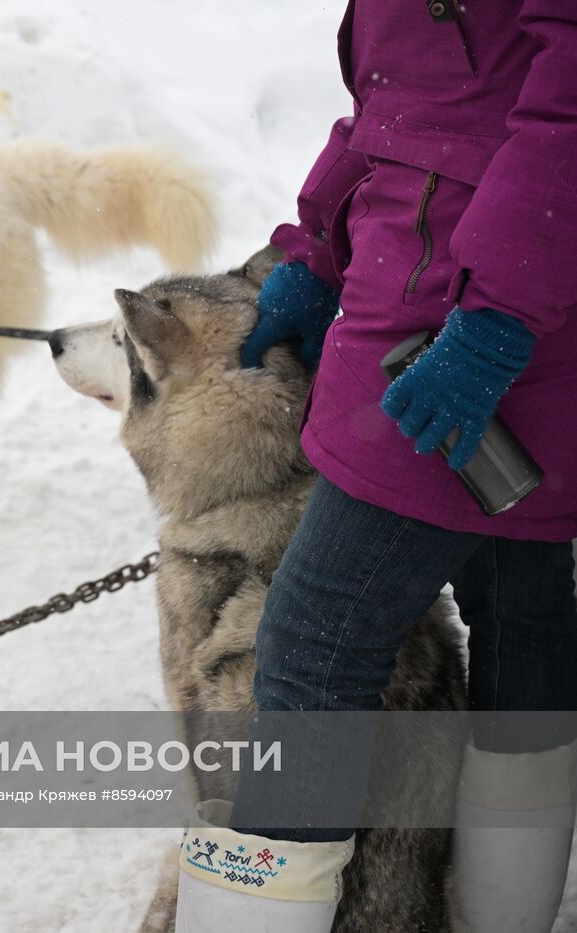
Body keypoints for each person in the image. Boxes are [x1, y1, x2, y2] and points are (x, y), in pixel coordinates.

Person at [173, 3, 577, 931]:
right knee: (522, 605)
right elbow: (403, 96)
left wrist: (498, 318)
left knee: (315, 645)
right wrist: (319, 248)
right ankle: (500, 913)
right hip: (454, 283)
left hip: (471, 311)